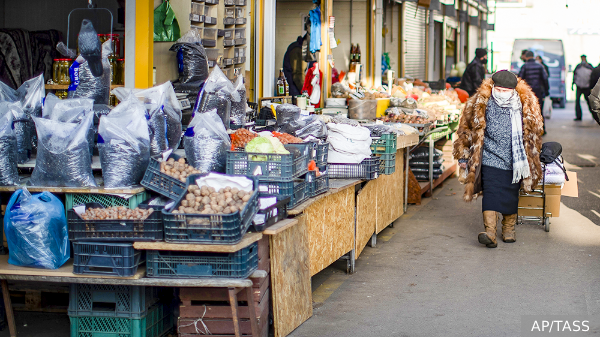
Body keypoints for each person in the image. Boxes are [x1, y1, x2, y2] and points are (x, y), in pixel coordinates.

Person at [453, 70, 543, 248]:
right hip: (489, 155)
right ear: (493, 87)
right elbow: (466, 127)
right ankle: (490, 233)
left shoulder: (526, 103)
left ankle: (509, 229)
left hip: (515, 159)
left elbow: (535, 130)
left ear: (513, 90)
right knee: (491, 192)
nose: (501, 94)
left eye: (505, 91)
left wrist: (533, 154)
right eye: (498, 90)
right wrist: (463, 154)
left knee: (510, 194)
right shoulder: (480, 101)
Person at [519, 51, 549, 134]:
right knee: (539, 110)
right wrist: (546, 91)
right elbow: (545, 79)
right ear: (533, 56)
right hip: (538, 91)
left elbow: (520, 79)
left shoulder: (524, 66)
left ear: (527, 57)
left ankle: (528, 129)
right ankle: (541, 129)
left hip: (527, 92)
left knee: (527, 110)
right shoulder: (540, 66)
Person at [573, 54, 594, 121]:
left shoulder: (590, 66)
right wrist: (573, 84)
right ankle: (578, 116)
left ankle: (594, 115)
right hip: (579, 86)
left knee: (589, 102)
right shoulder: (578, 66)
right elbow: (574, 75)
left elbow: (592, 77)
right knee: (577, 102)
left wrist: (591, 86)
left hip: (587, 87)